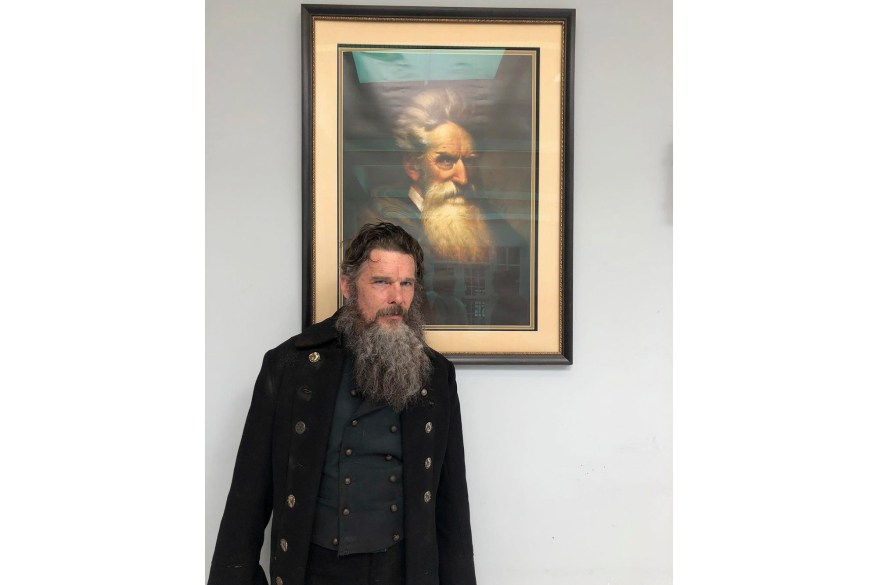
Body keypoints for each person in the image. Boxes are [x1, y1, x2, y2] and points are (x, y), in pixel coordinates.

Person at [208, 222, 477, 585]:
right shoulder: (290, 366)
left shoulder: (436, 376)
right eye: (381, 282)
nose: (396, 297)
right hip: (316, 570)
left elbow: (452, 507)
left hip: (402, 570)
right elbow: (248, 497)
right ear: (348, 287)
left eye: (406, 283)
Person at [364, 88, 492, 264]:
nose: (463, 179)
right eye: (446, 160)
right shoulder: (381, 222)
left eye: (468, 161)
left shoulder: (482, 217)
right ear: (413, 166)